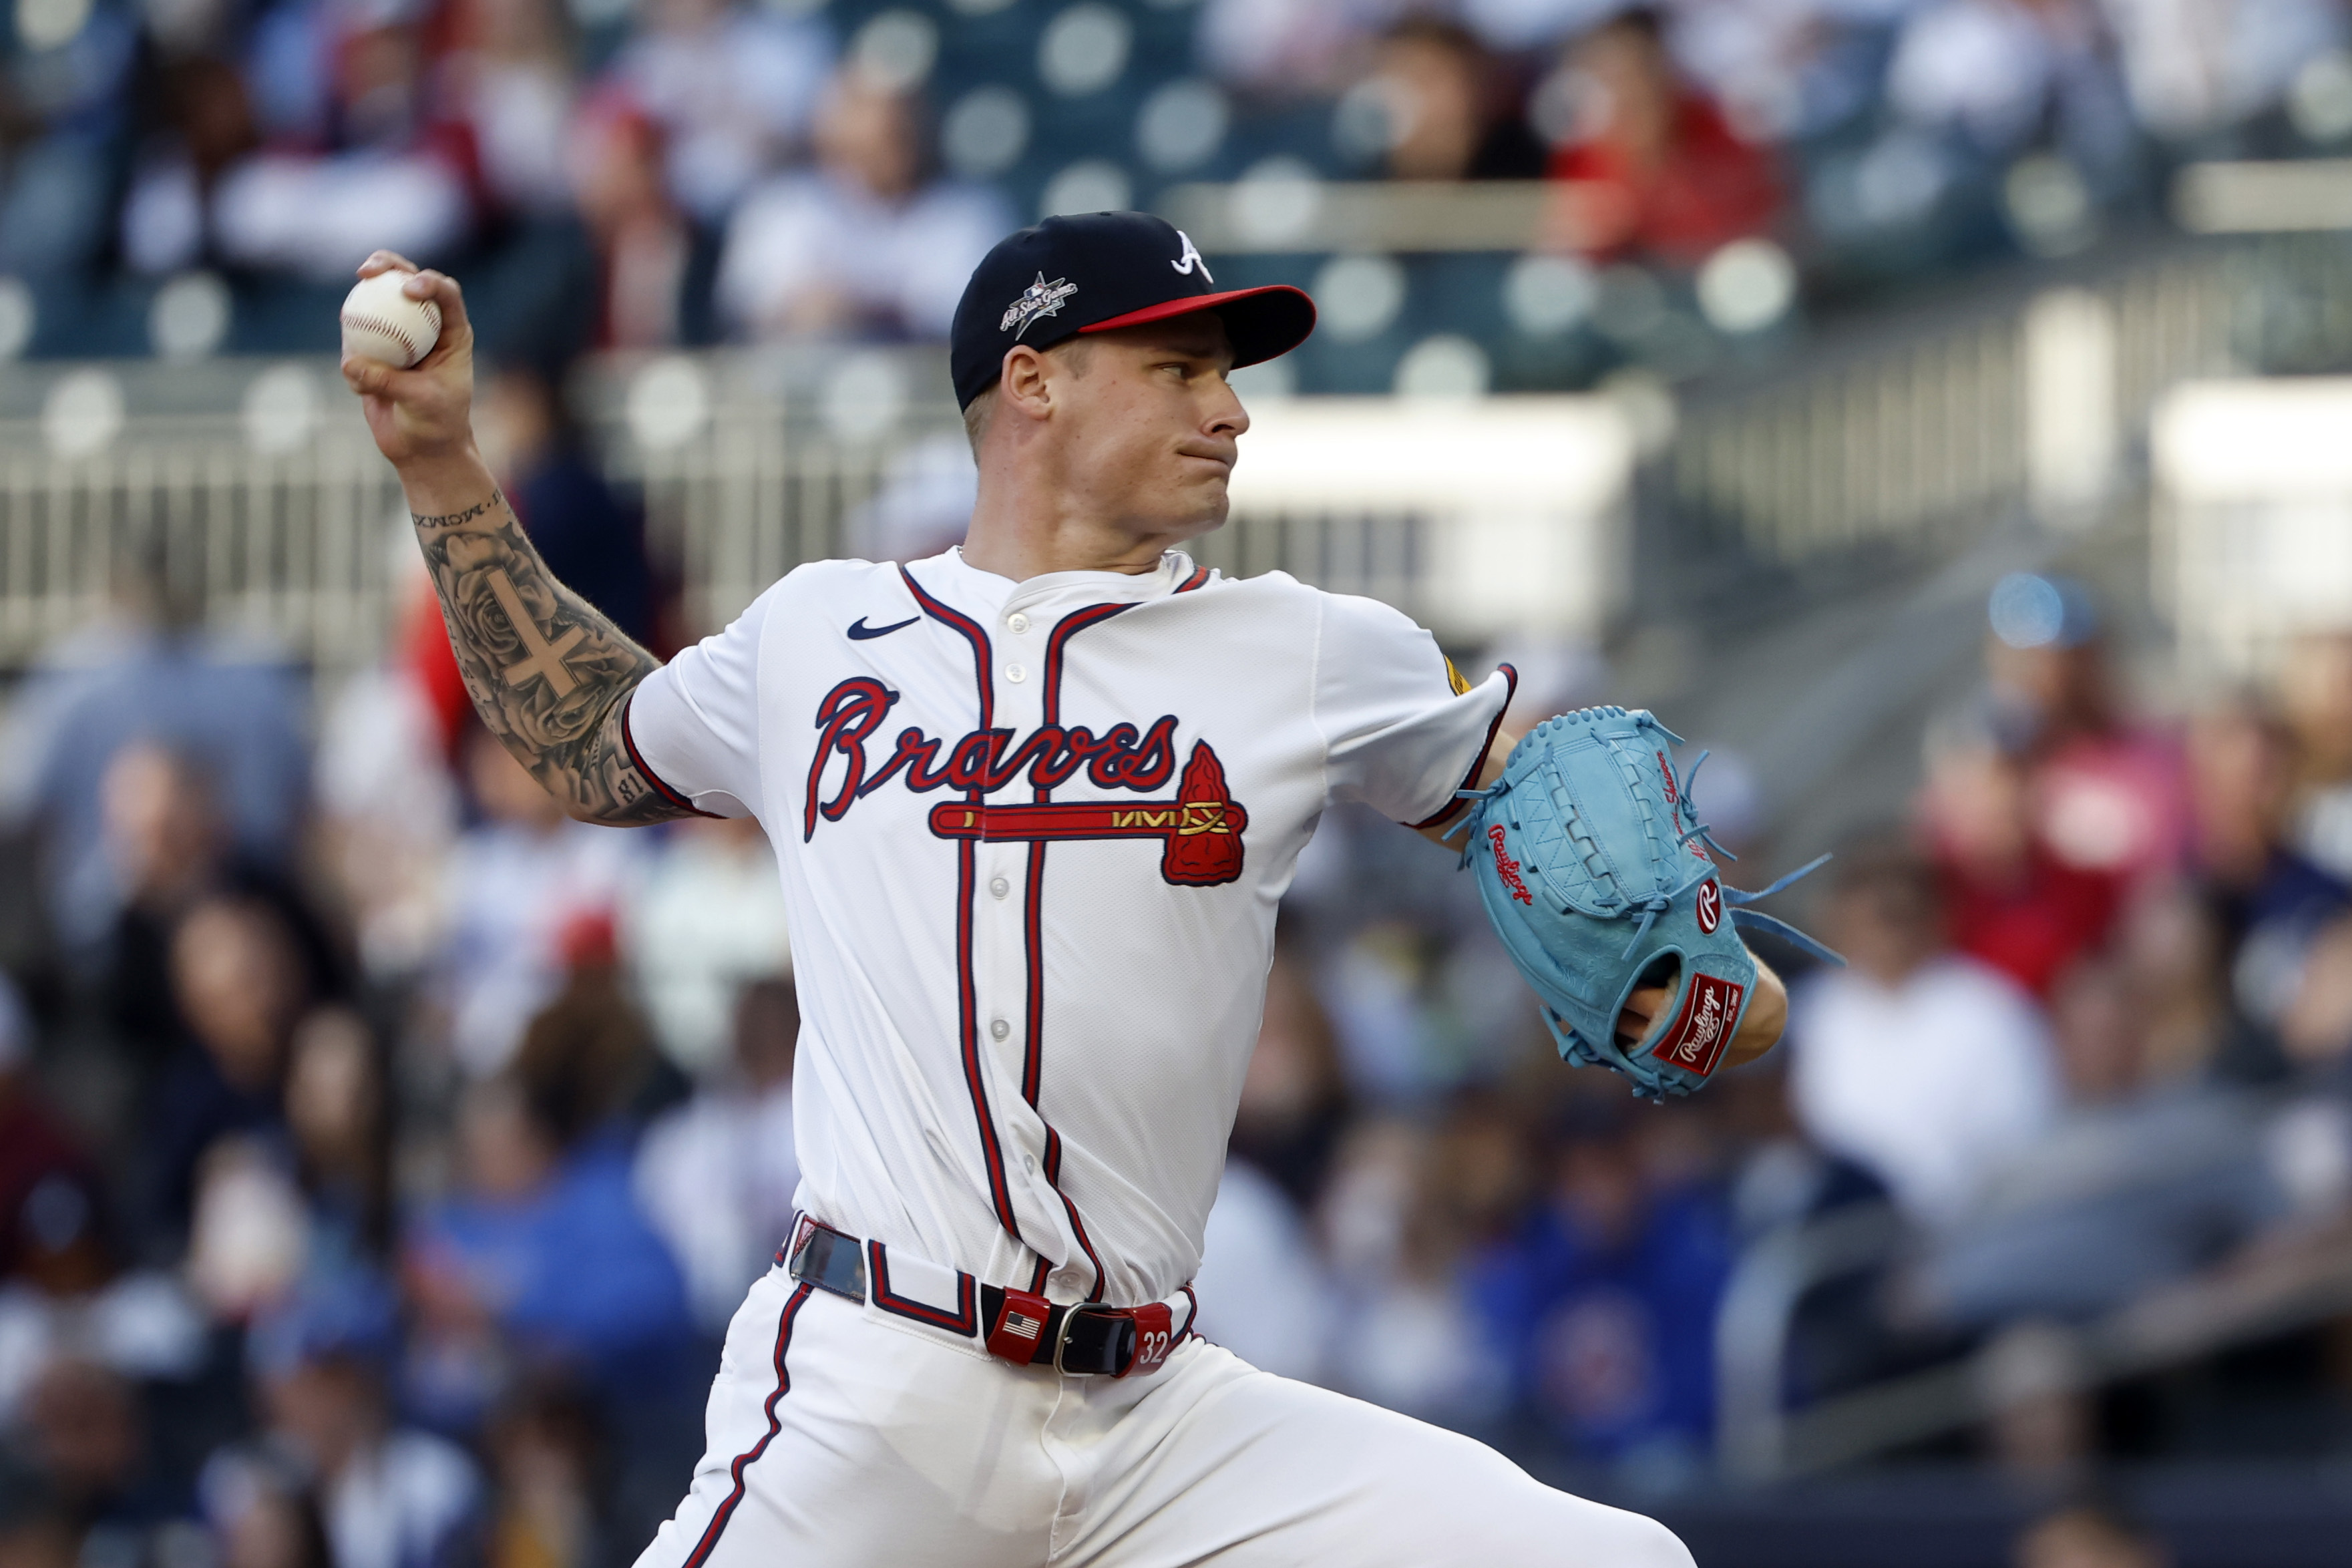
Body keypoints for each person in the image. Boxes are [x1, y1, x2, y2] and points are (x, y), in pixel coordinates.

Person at [341, 210, 1794, 1564]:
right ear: (1031, 383)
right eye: (1177, 370)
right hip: (874, 1385)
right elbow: (592, 743)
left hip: (1159, 1417)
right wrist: (447, 471)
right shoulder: (817, 638)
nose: (1227, 411)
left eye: (1224, 377)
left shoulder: (1309, 652)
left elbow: (1524, 809)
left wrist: (1679, 970)